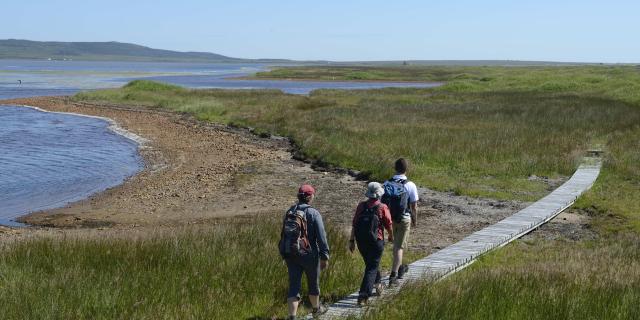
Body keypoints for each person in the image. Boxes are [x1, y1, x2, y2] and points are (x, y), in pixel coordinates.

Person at [279, 184, 329, 320]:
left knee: (294, 285)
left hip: (291, 253)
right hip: (309, 254)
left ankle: (292, 316)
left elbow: (283, 234)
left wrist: (284, 253)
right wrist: (325, 256)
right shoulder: (313, 213)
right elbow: (322, 237)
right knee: (313, 283)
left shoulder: (290, 211)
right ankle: (316, 310)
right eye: (313, 194)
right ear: (310, 196)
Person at [349, 182, 393, 306]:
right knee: (371, 267)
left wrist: (351, 241)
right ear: (379, 194)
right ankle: (363, 295)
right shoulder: (382, 207)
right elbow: (388, 224)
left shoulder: (361, 206)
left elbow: (354, 224)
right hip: (376, 241)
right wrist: (391, 236)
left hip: (361, 241)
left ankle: (378, 285)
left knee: (371, 264)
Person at [382, 158, 419, 286]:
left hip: (389, 219)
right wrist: (415, 220)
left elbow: (382, 203)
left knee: (395, 245)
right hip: (404, 218)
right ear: (406, 169)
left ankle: (398, 267)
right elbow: (414, 206)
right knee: (399, 247)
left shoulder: (387, 183)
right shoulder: (410, 185)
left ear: (395, 168)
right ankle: (393, 275)